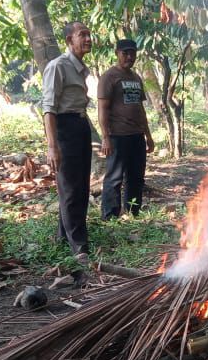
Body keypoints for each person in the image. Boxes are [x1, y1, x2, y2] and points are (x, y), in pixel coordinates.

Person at [42, 21, 95, 260]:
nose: (88, 39)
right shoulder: (58, 67)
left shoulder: (80, 68)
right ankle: (79, 246)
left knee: (81, 184)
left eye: (89, 35)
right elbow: (49, 110)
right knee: (70, 187)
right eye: (82, 35)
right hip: (65, 128)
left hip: (80, 125)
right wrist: (53, 147)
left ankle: (64, 236)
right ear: (69, 40)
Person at [98, 39, 155, 219]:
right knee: (114, 178)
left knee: (136, 177)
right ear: (117, 53)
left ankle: (133, 212)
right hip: (117, 136)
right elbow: (102, 109)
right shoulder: (109, 77)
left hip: (136, 135)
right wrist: (106, 137)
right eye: (125, 53)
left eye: (132, 53)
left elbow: (140, 108)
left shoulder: (136, 78)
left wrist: (148, 135)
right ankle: (110, 215)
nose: (129, 57)